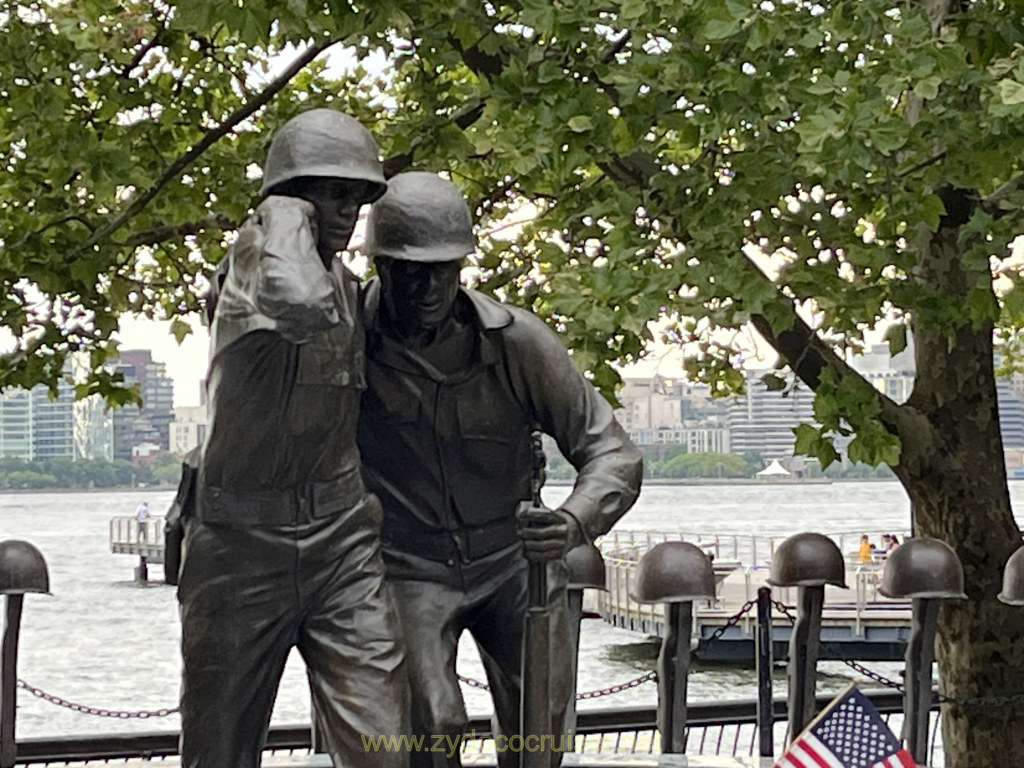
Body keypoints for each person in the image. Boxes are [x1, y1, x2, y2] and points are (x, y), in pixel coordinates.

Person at [357, 171, 643, 767]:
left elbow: (612, 453)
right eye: (411, 269)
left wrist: (572, 523)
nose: (429, 284)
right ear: (380, 267)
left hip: (513, 566)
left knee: (539, 737)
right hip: (406, 568)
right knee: (428, 729)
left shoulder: (519, 343)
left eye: (443, 267)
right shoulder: (348, 340)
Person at [175, 109, 408, 768]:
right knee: (219, 752)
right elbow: (299, 302)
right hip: (239, 549)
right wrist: (282, 213)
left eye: (357, 197)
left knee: (382, 747)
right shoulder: (256, 257)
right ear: (289, 195)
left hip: (342, 544)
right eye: (329, 193)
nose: (347, 211)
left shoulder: (346, 285)